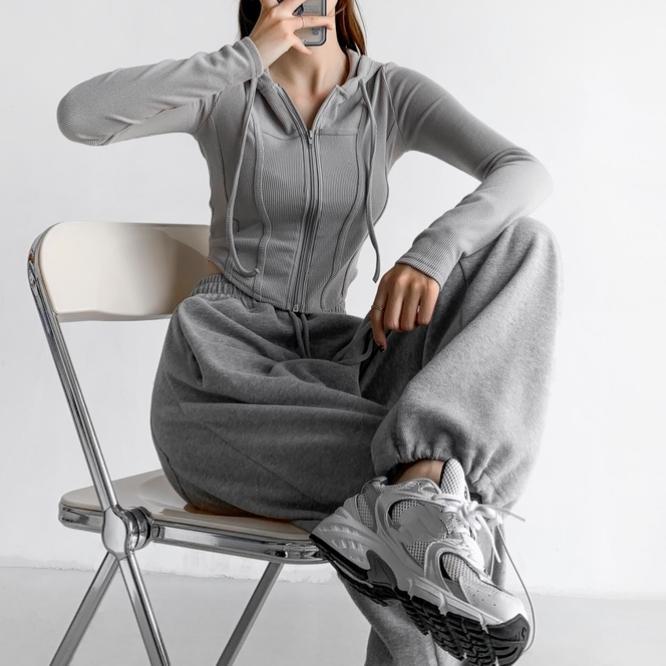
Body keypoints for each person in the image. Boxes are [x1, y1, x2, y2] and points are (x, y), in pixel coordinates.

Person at [55, 1, 561, 663]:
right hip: (224, 377)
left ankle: (418, 503)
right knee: (431, 493)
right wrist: (247, 56)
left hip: (341, 362)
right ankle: (421, 505)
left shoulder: (389, 94)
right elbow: (80, 116)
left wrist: (433, 251)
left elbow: (525, 170)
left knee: (525, 245)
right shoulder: (227, 88)